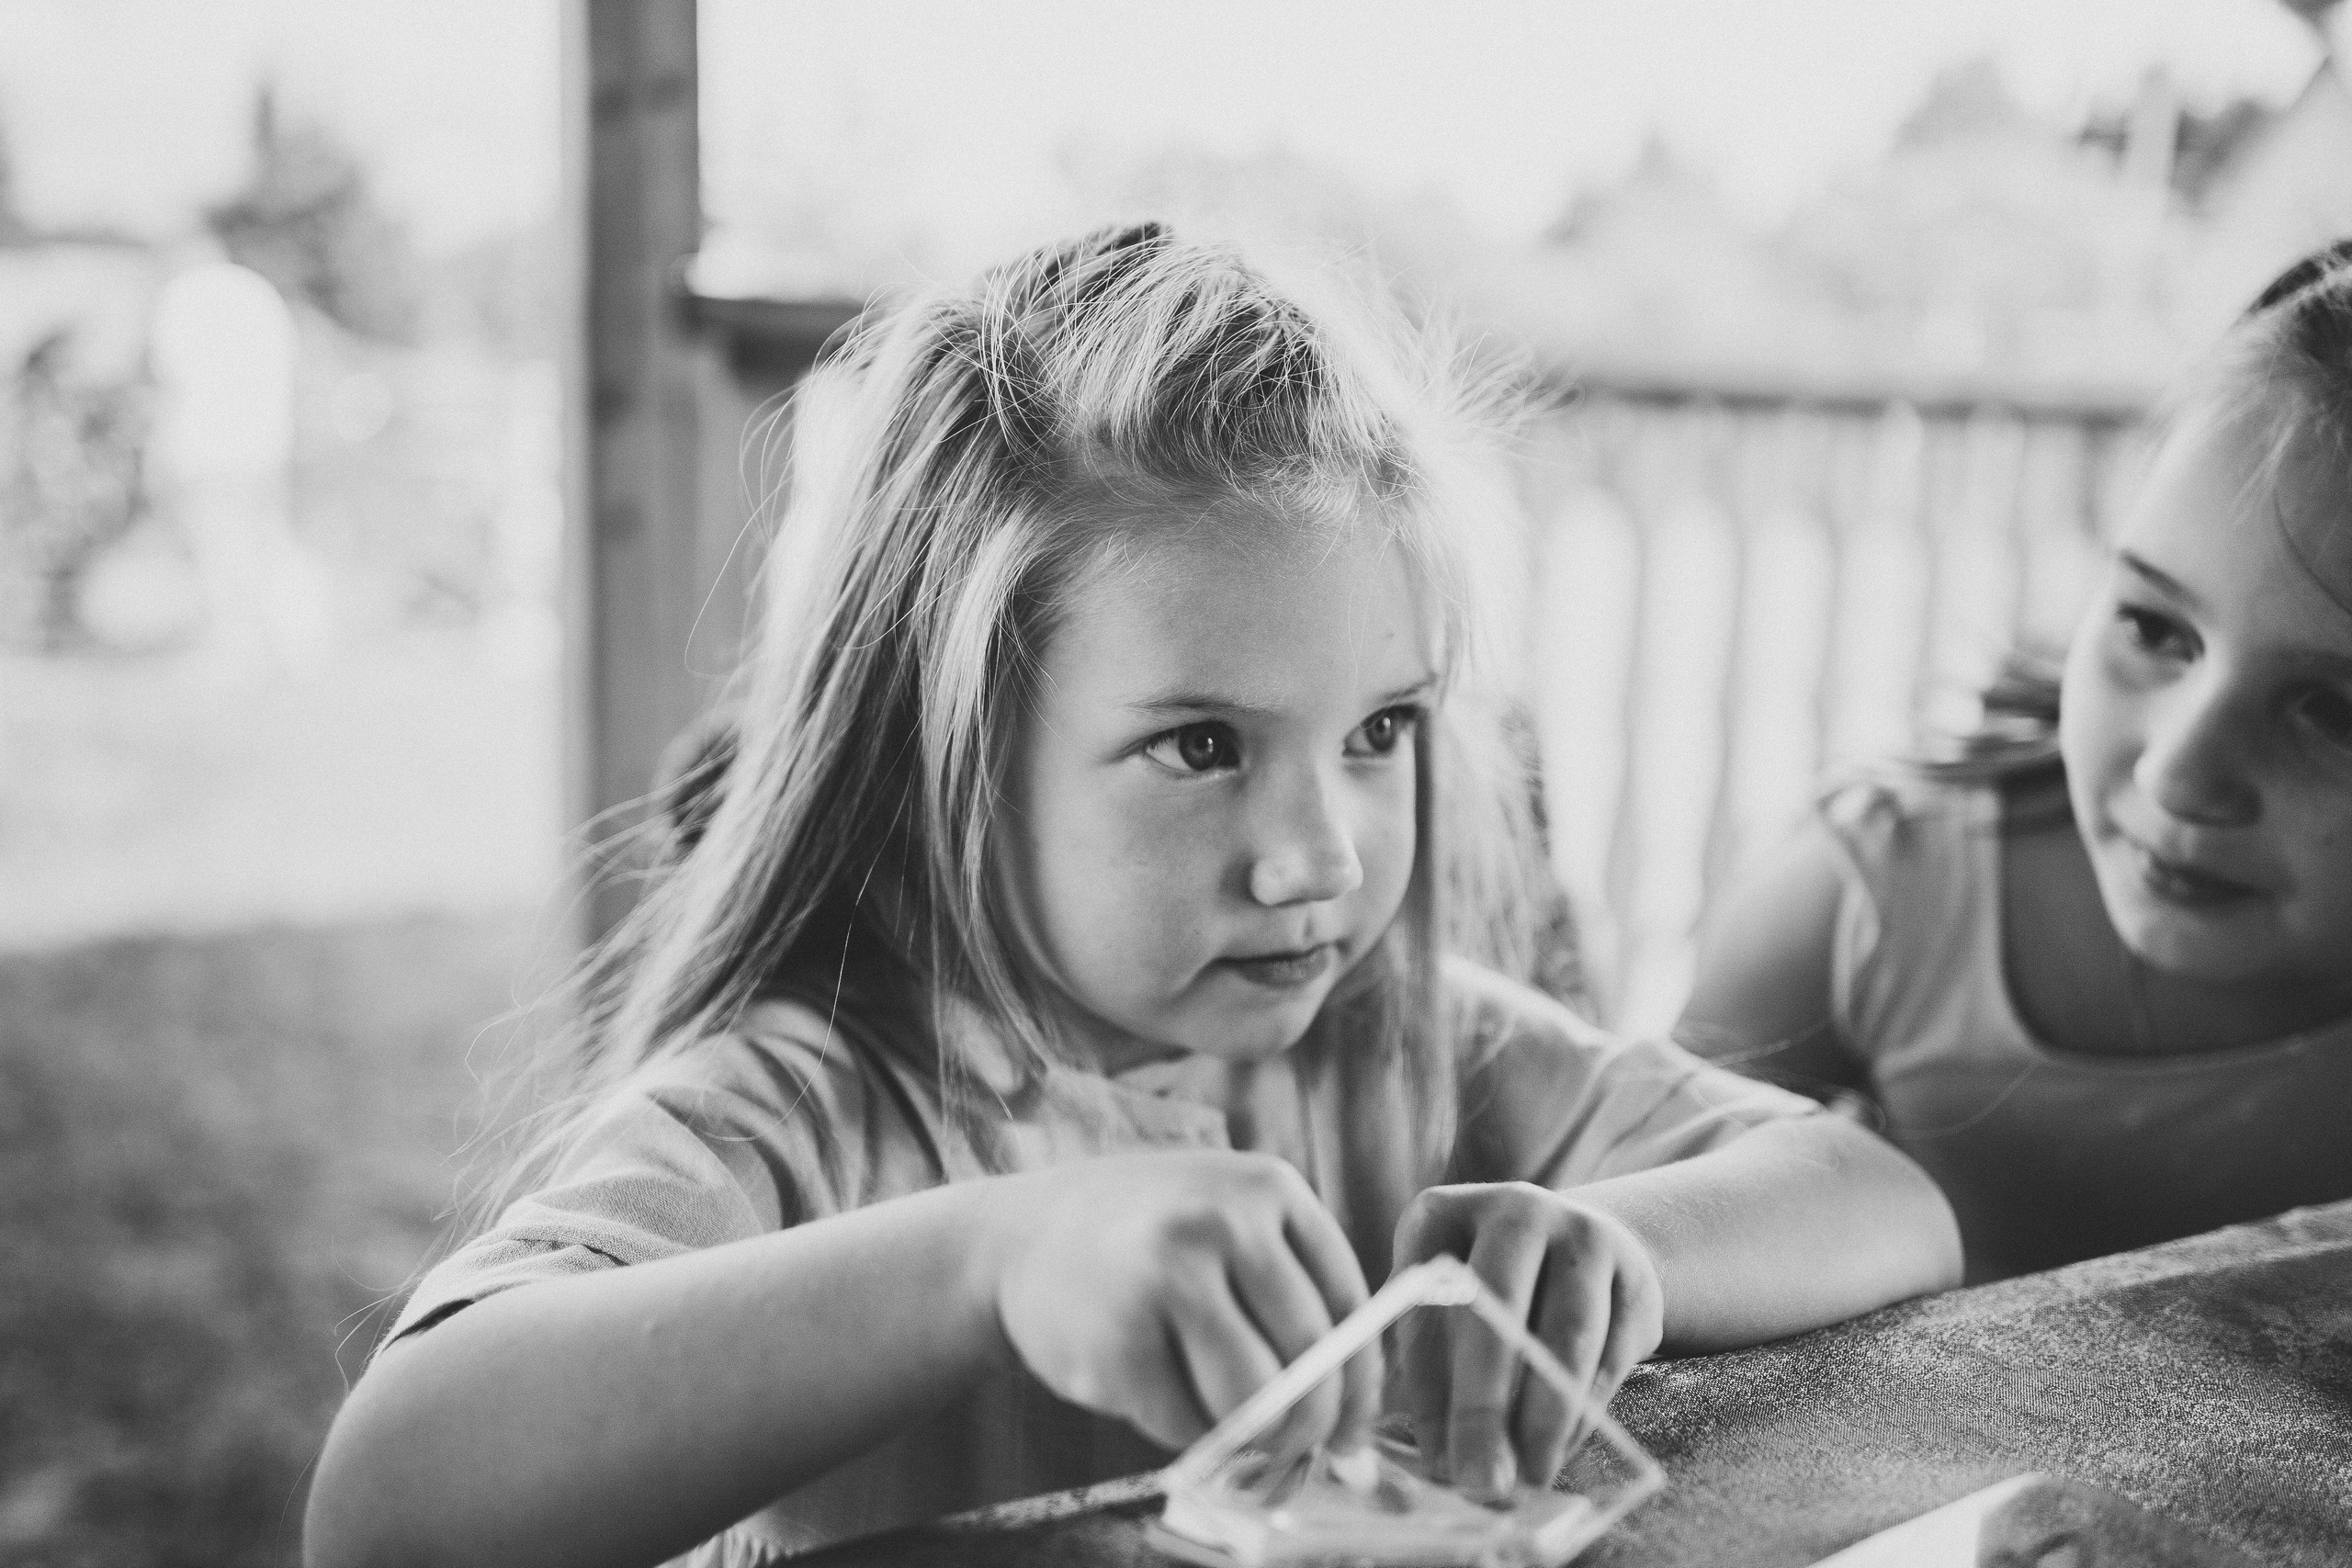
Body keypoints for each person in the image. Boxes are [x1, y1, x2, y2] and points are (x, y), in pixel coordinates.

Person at [304, 223, 1960, 1568]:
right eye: (1202, 745)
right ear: (946, 759)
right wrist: (988, 1263)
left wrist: (1626, 1247)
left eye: (1380, 730)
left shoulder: (1410, 1050)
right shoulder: (807, 1108)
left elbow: (1891, 1200)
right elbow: (389, 1506)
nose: (1315, 853)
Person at [1679, 240, 2352, 1285]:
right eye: (2152, 626)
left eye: (2330, 711)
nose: (2177, 776)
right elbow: (1621, 1263)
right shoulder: (1870, 900)